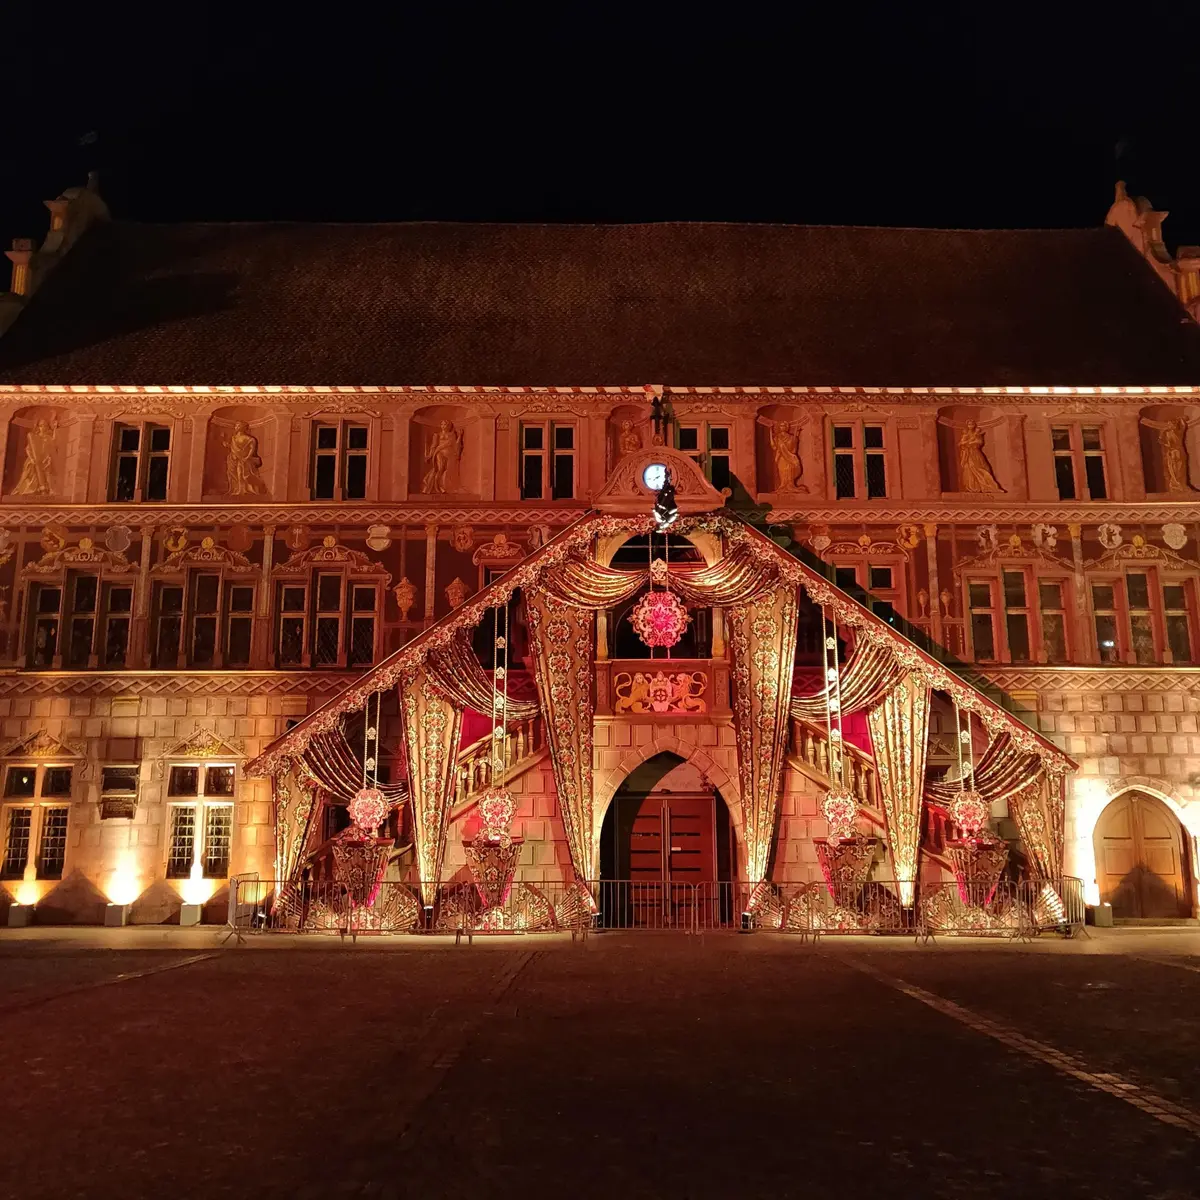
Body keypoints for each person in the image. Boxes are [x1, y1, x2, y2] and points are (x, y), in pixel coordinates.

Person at [12, 419, 55, 495]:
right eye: (41, 426)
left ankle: (44, 490)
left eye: (45, 425)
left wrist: (47, 458)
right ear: (38, 427)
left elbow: (51, 449)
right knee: (28, 474)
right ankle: (23, 490)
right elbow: (28, 449)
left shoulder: (48, 438)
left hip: (44, 460)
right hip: (33, 460)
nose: (43, 427)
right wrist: (32, 458)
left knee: (46, 473)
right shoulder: (33, 437)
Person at [226, 421, 267, 495]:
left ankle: (243, 490)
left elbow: (252, 449)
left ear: (243, 427)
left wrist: (247, 457)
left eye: (238, 426)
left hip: (244, 460)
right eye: (236, 426)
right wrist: (227, 445)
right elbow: (233, 448)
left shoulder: (249, 439)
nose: (236, 427)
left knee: (242, 474)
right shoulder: (233, 438)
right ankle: (237, 489)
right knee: (233, 474)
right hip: (234, 459)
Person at [422, 420, 461, 493]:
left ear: (449, 426)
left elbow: (456, 445)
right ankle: (438, 487)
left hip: (449, 455)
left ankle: (445, 486)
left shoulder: (452, 435)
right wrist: (430, 455)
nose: (443, 426)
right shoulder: (437, 435)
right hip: (439, 453)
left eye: (445, 424)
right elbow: (433, 446)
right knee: (440, 469)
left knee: (447, 470)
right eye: (442, 424)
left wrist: (460, 436)